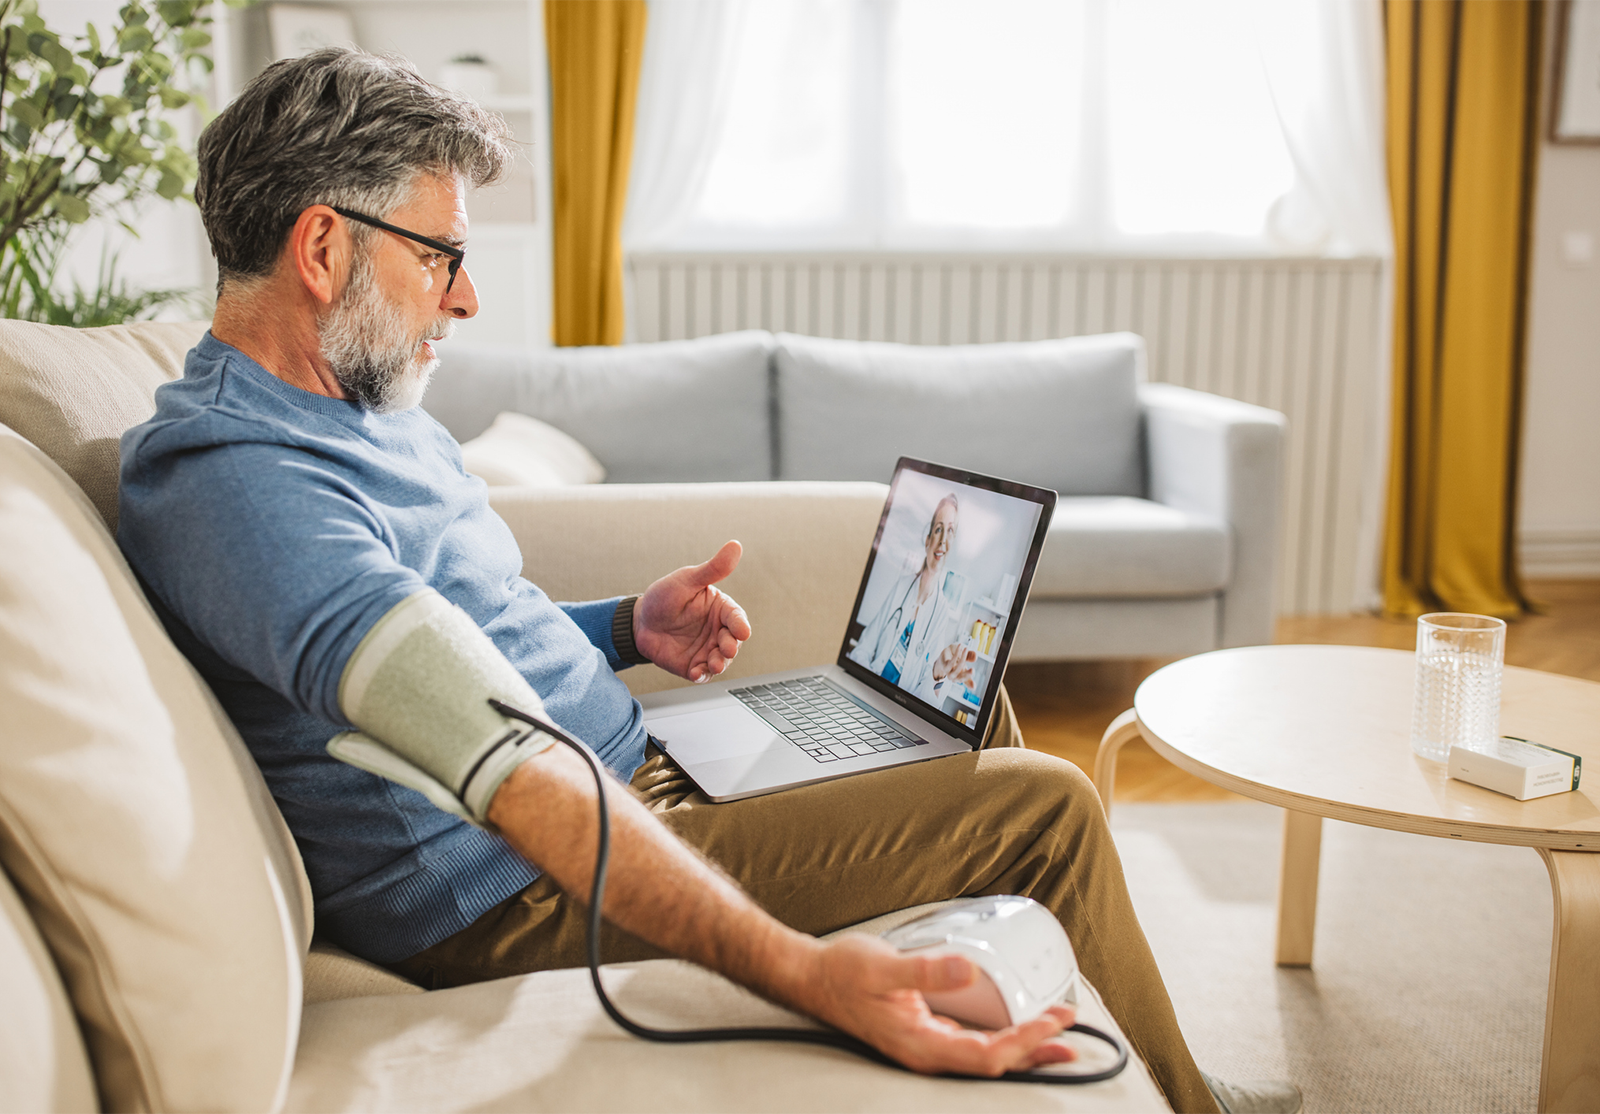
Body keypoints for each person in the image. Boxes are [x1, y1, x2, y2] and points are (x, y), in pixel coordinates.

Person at [116, 49, 1297, 1114]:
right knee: (1041, 804)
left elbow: (464, 635)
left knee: (958, 702)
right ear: (323, 248)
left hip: (636, 765)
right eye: (442, 258)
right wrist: (813, 975)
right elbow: (498, 759)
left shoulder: (357, 404)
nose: (466, 297)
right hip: (515, 885)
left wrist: (624, 624)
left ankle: (1089, 1022)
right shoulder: (241, 487)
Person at [848, 492, 977, 702]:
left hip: (898, 711)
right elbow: (862, 649)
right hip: (868, 694)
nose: (943, 540)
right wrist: (868, 683)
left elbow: (927, 700)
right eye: (938, 529)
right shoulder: (902, 586)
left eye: (950, 531)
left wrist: (937, 673)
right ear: (927, 541)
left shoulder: (940, 611)